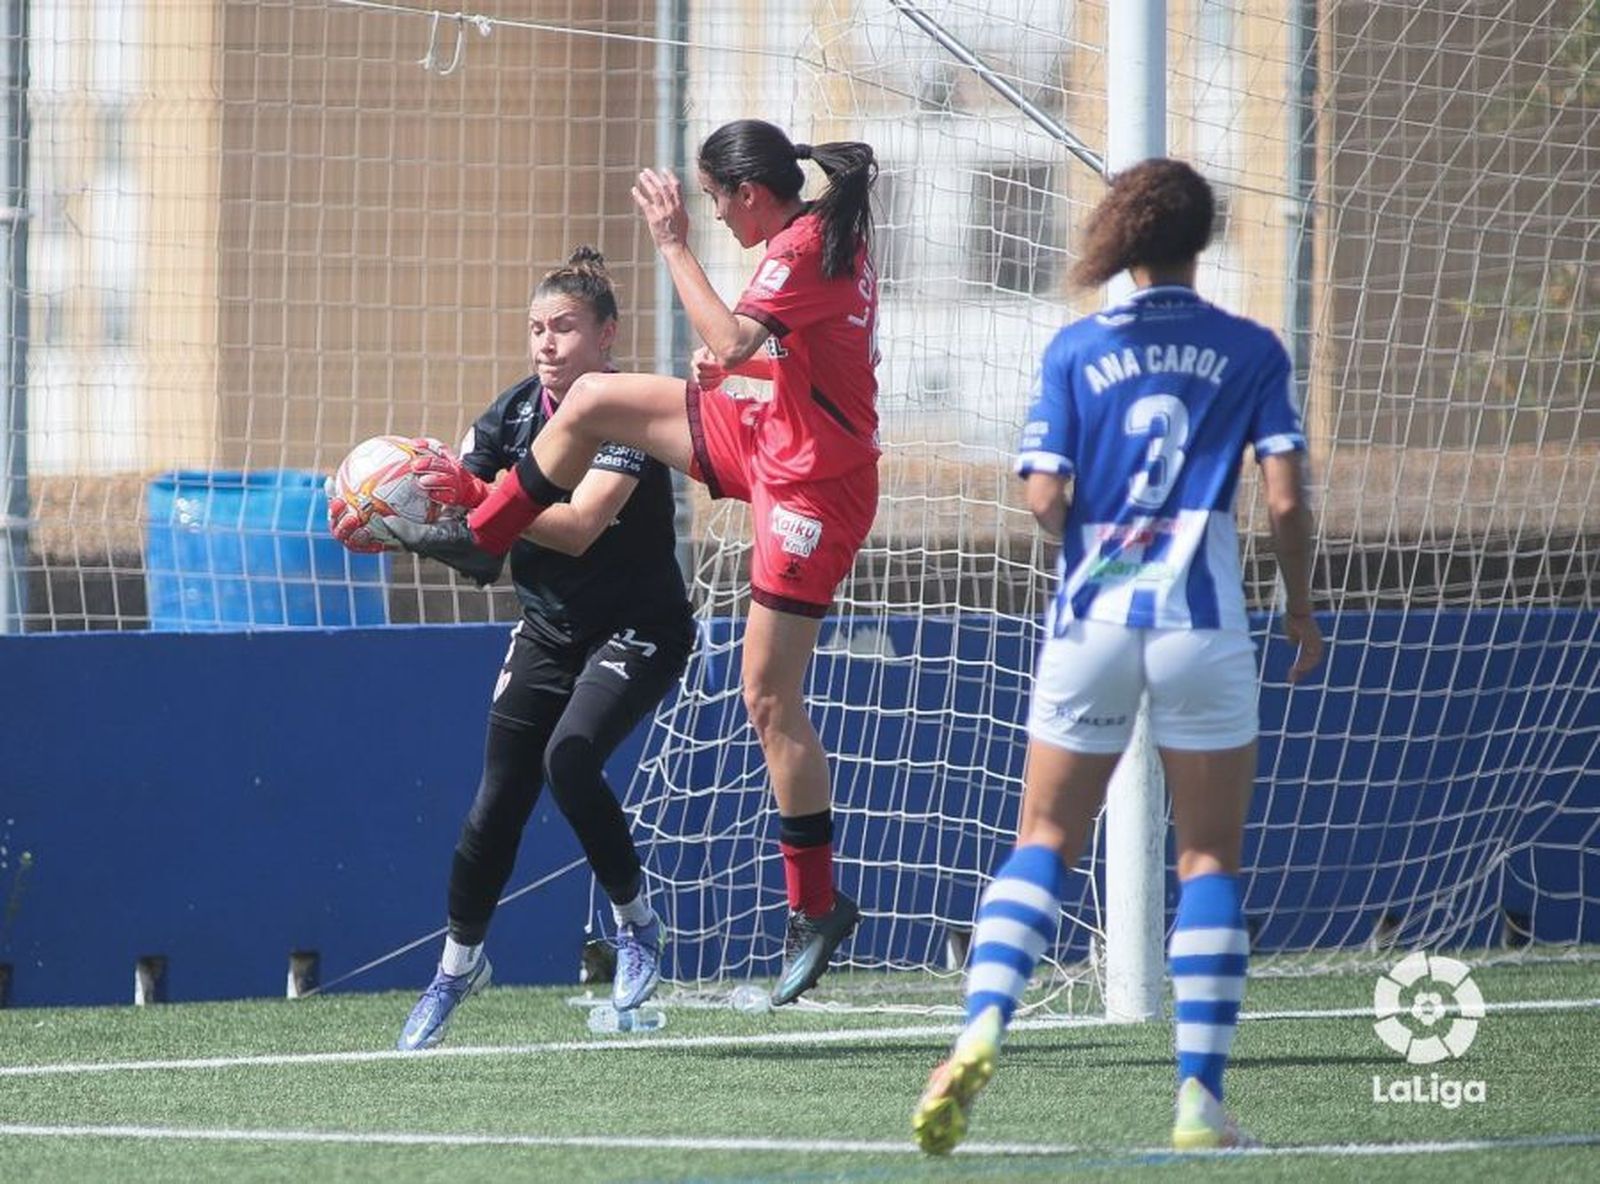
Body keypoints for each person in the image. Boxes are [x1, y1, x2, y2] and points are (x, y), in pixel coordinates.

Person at [383, 119, 881, 1008]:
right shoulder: (813, 235)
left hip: (813, 489)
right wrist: (744, 375)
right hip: (771, 435)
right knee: (593, 400)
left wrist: (672, 244)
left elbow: (737, 340)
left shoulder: (802, 246)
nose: (715, 216)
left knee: (768, 697)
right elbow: (801, 364)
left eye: (717, 200)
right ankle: (484, 532)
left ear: (750, 194)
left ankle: (816, 906)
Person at [911, 159, 1325, 1154]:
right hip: (1200, 622)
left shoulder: (1075, 347)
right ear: (1203, 239)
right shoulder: (1250, 347)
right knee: (1208, 856)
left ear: (1123, 237)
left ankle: (979, 1029)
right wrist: (1300, 606)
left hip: (1091, 619)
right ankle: (1198, 1101)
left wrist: (1092, 543)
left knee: (1044, 836)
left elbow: (1043, 496)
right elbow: (1283, 500)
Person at [329, 247, 695, 1049]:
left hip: (639, 628)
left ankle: (637, 925)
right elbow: (479, 553)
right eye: (536, 328)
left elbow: (578, 526)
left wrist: (475, 495)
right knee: (495, 805)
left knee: (571, 759)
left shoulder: (629, 415)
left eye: (564, 327)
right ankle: (457, 968)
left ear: (607, 336)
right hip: (548, 630)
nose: (546, 343)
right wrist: (399, 523)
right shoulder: (508, 418)